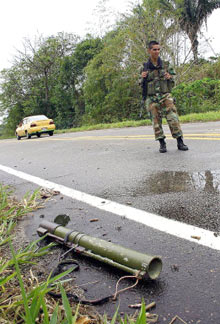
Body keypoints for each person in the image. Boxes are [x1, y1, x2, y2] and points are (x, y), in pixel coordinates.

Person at [140, 40, 188, 153]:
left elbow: (174, 80)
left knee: (173, 118)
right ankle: (162, 143)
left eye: (158, 49)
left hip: (165, 95)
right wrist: (142, 77)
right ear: (149, 50)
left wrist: (169, 76)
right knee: (156, 121)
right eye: (154, 49)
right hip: (151, 97)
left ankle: (180, 141)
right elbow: (140, 84)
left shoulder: (166, 65)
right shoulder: (144, 67)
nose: (157, 51)